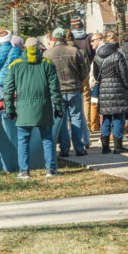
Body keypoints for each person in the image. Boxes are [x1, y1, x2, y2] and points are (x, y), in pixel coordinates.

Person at [4, 37, 63, 179]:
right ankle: (51, 169)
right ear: (38, 47)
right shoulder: (47, 64)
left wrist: (10, 108)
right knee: (47, 139)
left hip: (23, 109)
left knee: (23, 141)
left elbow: (8, 89)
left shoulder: (15, 65)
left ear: (24, 47)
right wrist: (58, 106)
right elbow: (55, 88)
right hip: (44, 108)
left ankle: (24, 171)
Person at [45, 27, 89, 157]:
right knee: (76, 117)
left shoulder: (48, 54)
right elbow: (84, 71)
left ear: (53, 38)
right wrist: (78, 80)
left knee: (61, 119)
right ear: (65, 37)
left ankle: (64, 148)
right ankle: (79, 147)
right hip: (74, 88)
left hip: (57, 91)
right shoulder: (75, 51)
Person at [94, 31, 128, 154]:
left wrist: (103, 82)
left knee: (105, 118)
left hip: (103, 89)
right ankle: (118, 146)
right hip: (118, 89)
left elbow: (96, 75)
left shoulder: (97, 56)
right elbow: (125, 75)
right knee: (118, 117)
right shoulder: (118, 55)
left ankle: (105, 147)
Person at [87, 32, 104, 134]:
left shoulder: (100, 52)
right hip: (99, 81)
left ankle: (94, 125)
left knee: (94, 103)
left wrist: (92, 81)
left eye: (93, 41)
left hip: (98, 82)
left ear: (99, 40)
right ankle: (95, 125)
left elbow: (95, 69)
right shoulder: (98, 51)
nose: (91, 43)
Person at [0, 29, 14, 99]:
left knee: (1, 102)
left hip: (0, 80)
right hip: (13, 80)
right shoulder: (16, 50)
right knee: (13, 100)